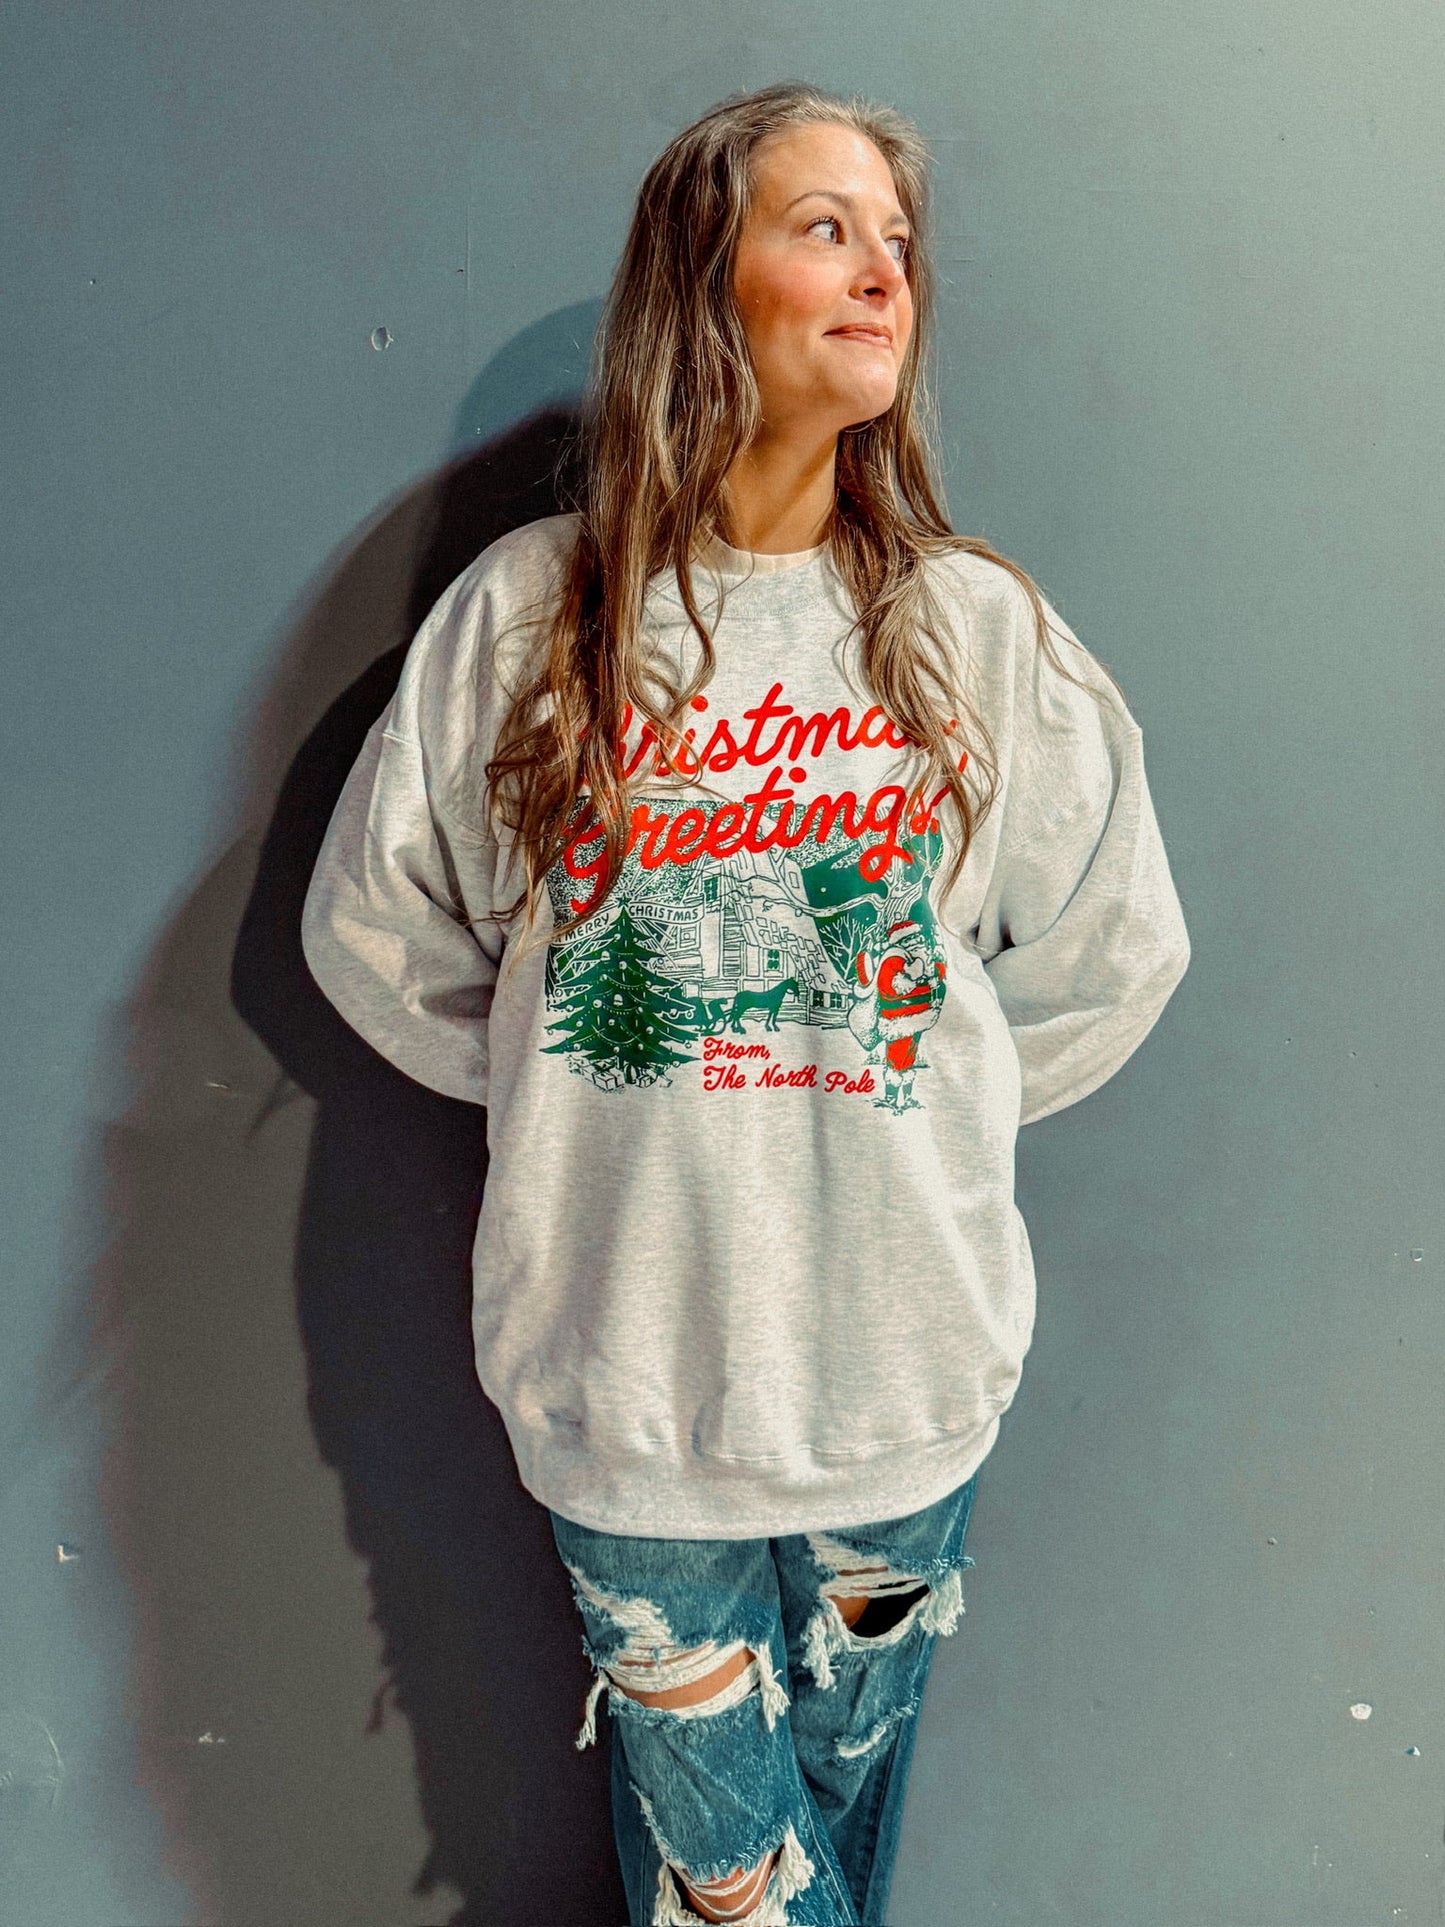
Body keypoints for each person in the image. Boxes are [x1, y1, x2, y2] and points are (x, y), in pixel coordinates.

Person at [300, 80, 1191, 1927]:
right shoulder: (532, 617)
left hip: (902, 1378)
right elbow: (376, 932)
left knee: (799, 1877)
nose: (881, 275)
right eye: (823, 227)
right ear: (701, 282)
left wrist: (913, 1099)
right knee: (741, 1890)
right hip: (620, 1372)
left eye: (896, 240)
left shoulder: (969, 628)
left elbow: (1113, 952)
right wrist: (577, 1080)